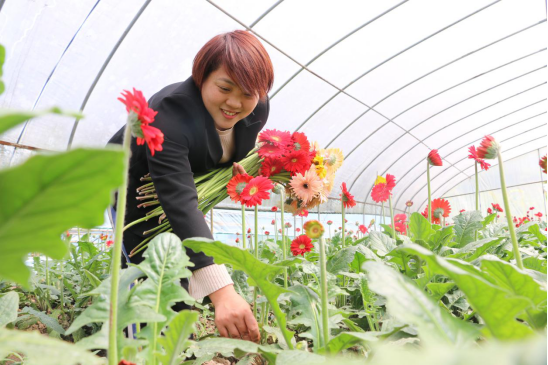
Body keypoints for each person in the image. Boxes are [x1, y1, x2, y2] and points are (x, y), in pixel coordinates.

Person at [108, 30, 274, 343]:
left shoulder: (258, 109)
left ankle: (167, 346)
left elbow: (220, 149)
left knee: (180, 283)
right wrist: (223, 293)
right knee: (150, 276)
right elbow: (180, 203)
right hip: (134, 188)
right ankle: (129, 349)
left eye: (249, 94)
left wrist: (234, 170)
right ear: (201, 78)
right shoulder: (169, 114)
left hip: (179, 187)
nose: (235, 103)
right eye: (224, 88)